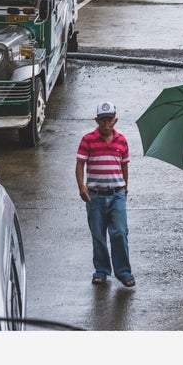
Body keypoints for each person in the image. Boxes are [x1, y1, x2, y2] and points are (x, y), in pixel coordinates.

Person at [76, 100, 134, 287]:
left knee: (119, 233)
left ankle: (124, 272)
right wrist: (82, 187)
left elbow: (124, 165)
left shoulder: (122, 141)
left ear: (115, 121)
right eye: (102, 120)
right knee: (98, 235)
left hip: (117, 194)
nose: (106, 124)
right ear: (96, 120)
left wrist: (125, 187)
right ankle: (101, 270)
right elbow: (80, 164)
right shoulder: (88, 140)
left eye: (109, 120)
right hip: (95, 196)